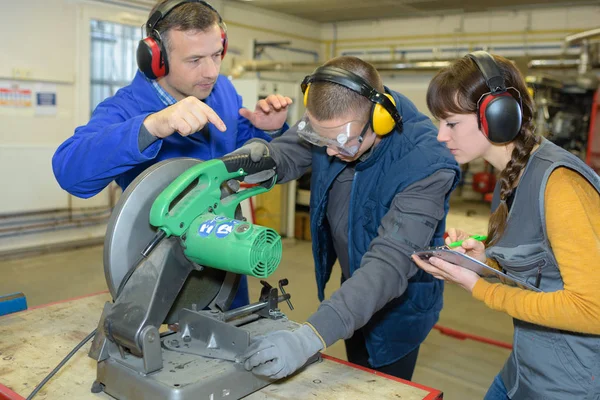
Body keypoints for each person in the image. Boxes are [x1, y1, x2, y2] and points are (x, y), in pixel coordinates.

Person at [51, 0, 293, 309]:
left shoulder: (223, 92)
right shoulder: (126, 108)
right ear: (157, 59)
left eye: (216, 54)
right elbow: (69, 172)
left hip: (227, 258)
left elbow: (238, 150)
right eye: (195, 60)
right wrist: (152, 125)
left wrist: (267, 130)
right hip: (161, 271)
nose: (211, 71)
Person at [233, 56, 461, 380]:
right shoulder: (335, 123)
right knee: (353, 356)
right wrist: (242, 164)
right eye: (320, 139)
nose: (328, 152)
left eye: (340, 143)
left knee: (381, 380)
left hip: (398, 307)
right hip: (351, 284)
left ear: (379, 120)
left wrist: (308, 338)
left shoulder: (427, 164)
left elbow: (389, 264)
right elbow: (286, 153)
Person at [411, 51, 600, 399]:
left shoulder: (560, 184)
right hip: (526, 366)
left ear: (497, 116)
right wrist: (483, 262)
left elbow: (592, 310)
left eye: (451, 123)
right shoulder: (513, 174)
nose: (441, 135)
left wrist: (479, 287)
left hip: (569, 384)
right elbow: (543, 268)